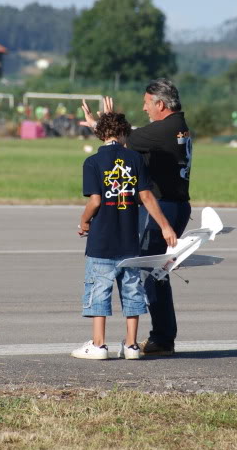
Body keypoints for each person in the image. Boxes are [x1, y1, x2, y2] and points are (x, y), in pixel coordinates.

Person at [81, 78, 192, 356]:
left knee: (143, 271)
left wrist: (101, 123)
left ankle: (161, 339)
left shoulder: (163, 129)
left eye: (146, 103)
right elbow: (128, 136)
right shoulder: (178, 127)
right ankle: (161, 337)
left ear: (160, 104)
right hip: (177, 204)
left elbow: (121, 141)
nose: (144, 108)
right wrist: (107, 121)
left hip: (162, 206)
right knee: (156, 273)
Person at [71, 112, 177, 361]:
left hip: (101, 241)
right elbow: (147, 197)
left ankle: (99, 345)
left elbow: (95, 200)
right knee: (132, 292)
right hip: (130, 240)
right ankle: (131, 345)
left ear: (100, 133)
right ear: (123, 134)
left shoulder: (93, 162)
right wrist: (165, 226)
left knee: (99, 290)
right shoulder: (135, 159)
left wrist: (84, 221)